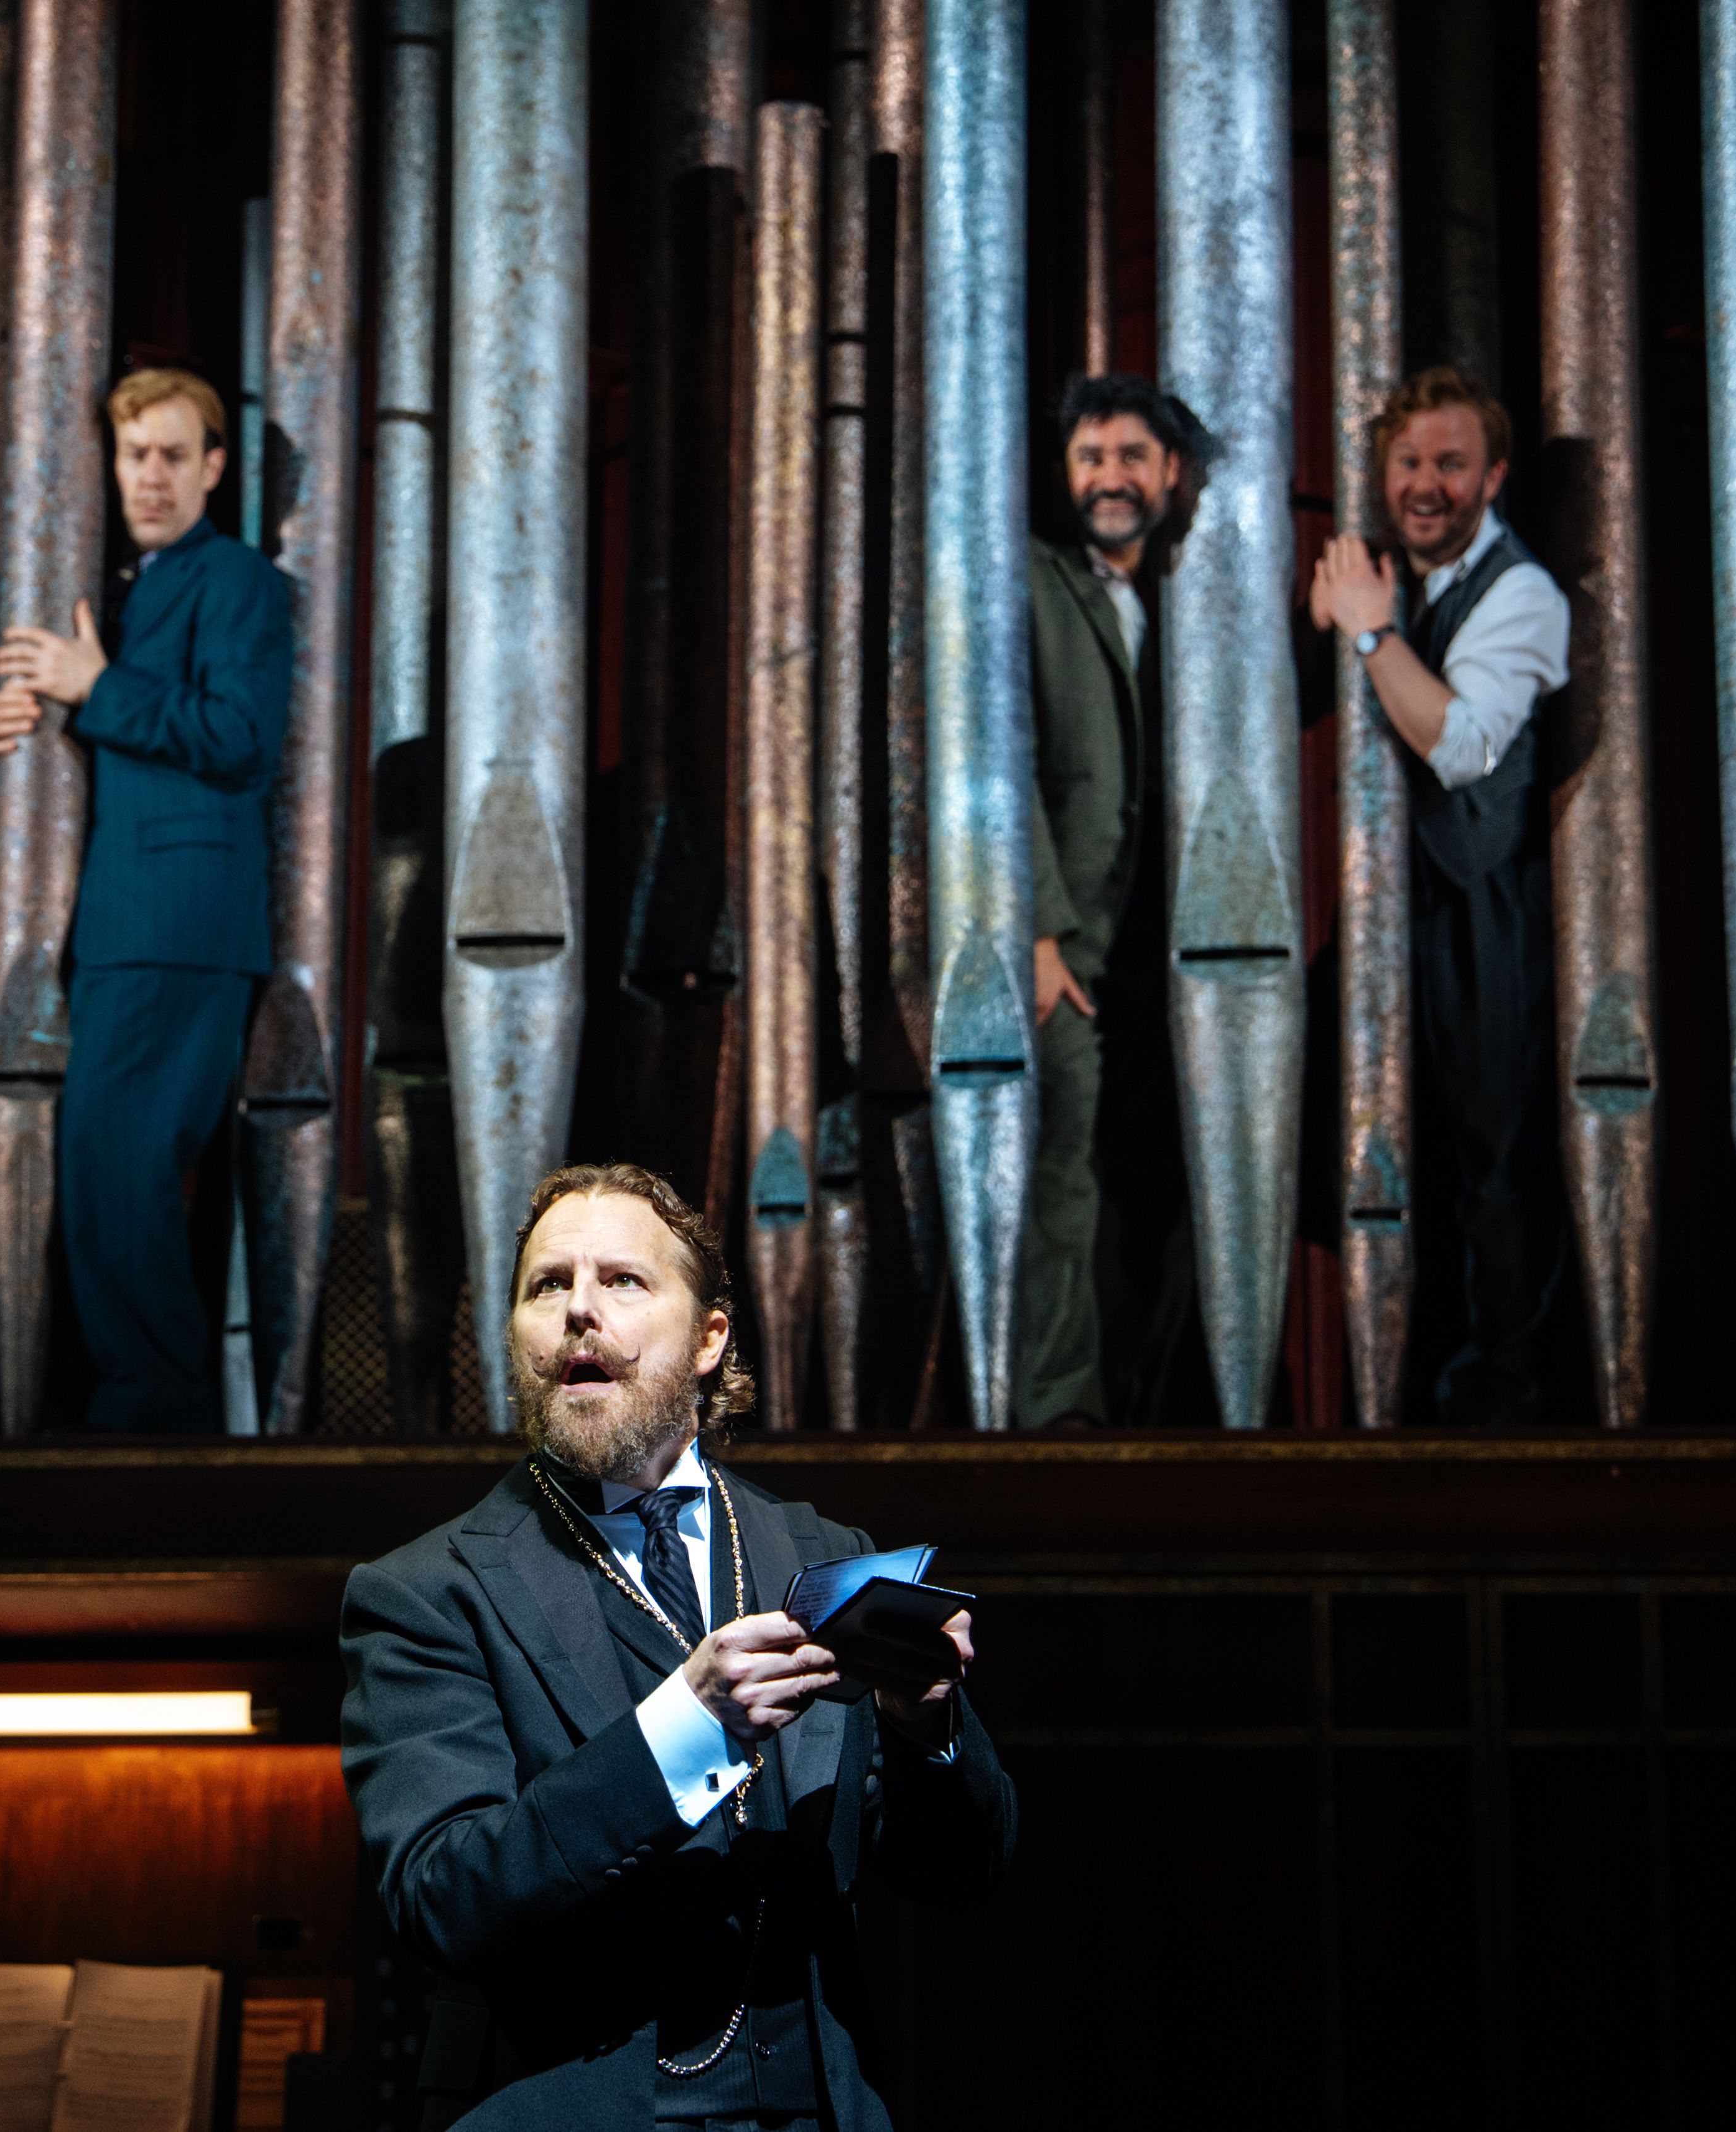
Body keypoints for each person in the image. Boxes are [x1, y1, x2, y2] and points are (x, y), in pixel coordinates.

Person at [340, 1162, 1017, 2130]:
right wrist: (679, 1734)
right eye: (546, 1286)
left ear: (709, 1339)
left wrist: (924, 1725)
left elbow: (962, 1874)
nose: (579, 1311)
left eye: (621, 1280)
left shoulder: (827, 1556)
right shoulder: (424, 1594)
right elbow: (443, 1895)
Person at [0, 367, 290, 1431]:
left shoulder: (236, 580)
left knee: (121, 1181)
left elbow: (241, 738)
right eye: (130, 454)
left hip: (177, 922)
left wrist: (94, 686)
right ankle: (81, 1415)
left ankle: (150, 1432)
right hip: (105, 924)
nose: (147, 474)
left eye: (169, 453)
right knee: (73, 1184)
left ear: (212, 465)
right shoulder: (118, 588)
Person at [1309, 365, 1572, 1426]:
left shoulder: (1522, 594)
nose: (1426, 484)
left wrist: (1371, 635)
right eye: (1408, 463)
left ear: (1493, 475)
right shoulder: (1400, 578)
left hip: (1486, 916)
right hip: (1398, 915)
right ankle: (1398, 1390)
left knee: (1494, 1162)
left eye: (1450, 464)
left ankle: (1497, 1401)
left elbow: (1462, 747)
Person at [1021, 373, 1207, 1426]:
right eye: (1091, 458)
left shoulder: (1188, 594)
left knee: (1170, 1183)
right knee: (1065, 1181)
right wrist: (1040, 925)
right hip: (1075, 940)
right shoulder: (1039, 582)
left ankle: (1165, 1405)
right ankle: (1064, 1414)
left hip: (1178, 946)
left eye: (1131, 456)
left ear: (1170, 473)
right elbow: (1003, 762)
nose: (1109, 477)